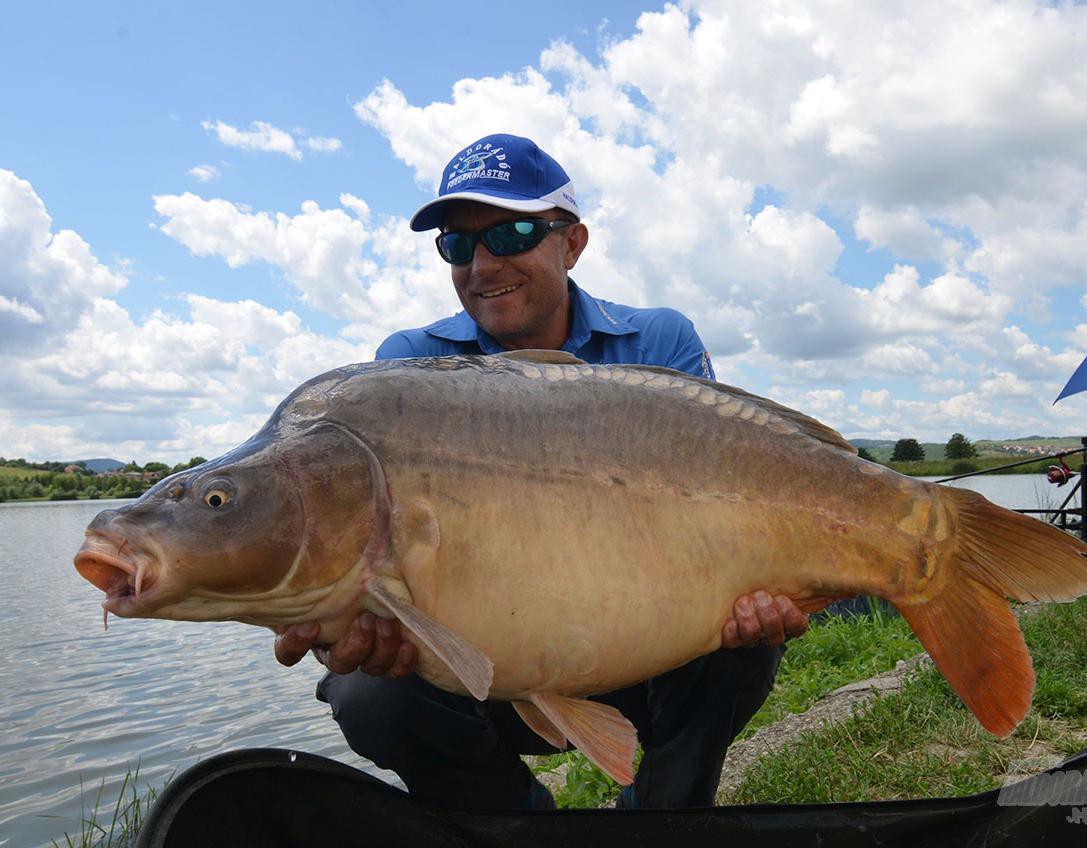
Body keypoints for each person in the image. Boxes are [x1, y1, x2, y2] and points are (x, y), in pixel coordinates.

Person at [272, 134, 809, 810]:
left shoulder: (659, 342)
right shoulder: (407, 368)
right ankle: (518, 827)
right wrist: (341, 623)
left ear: (572, 242)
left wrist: (770, 586)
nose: (483, 264)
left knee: (743, 643)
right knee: (367, 693)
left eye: (512, 232)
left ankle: (663, 821)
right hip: (490, 669)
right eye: (458, 245)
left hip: (651, 649)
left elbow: (730, 500)